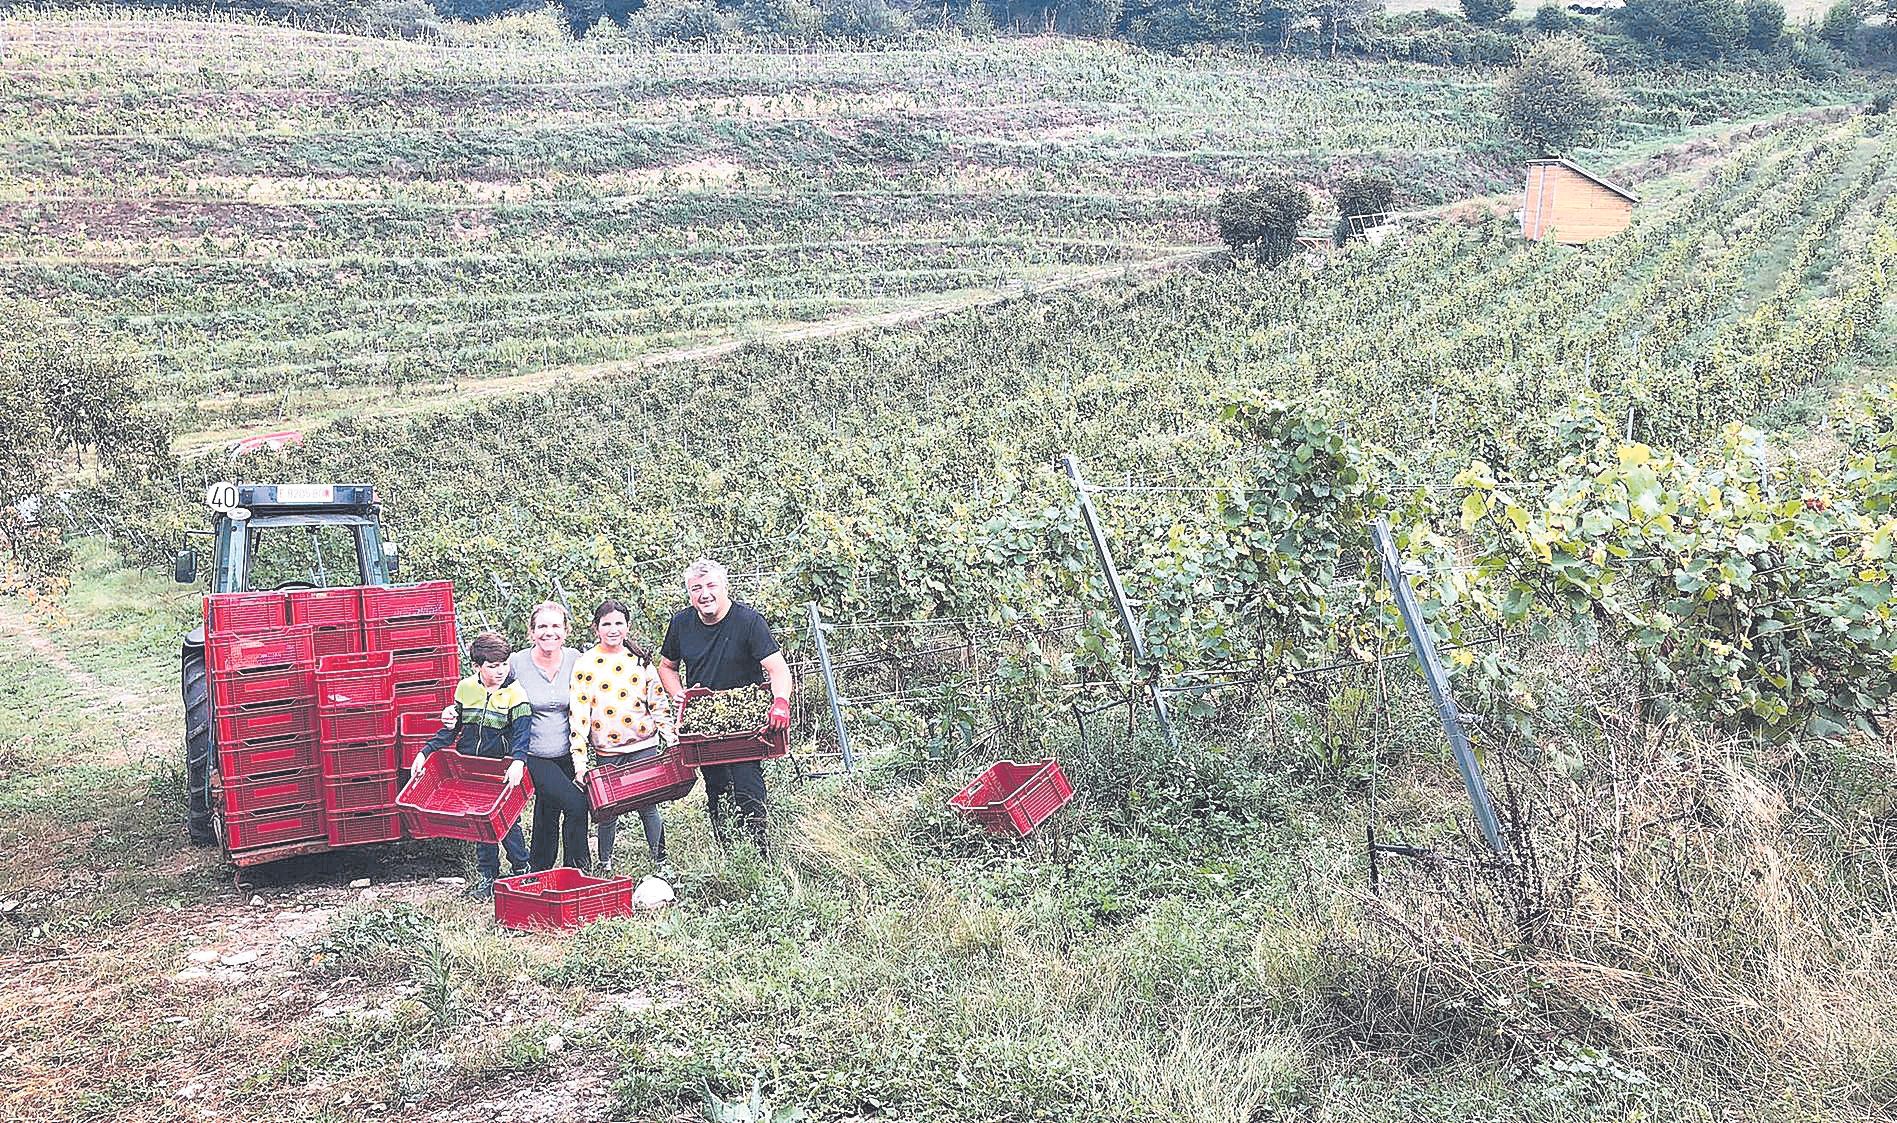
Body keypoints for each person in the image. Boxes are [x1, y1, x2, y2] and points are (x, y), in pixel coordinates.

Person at [657, 559, 792, 853]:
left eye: (710, 586)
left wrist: (780, 702)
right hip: (705, 725)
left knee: (747, 786)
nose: (704, 594)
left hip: (746, 725)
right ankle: (730, 855)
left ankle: (759, 855)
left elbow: (778, 669)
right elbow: (666, 666)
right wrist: (678, 692)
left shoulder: (748, 621)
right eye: (696, 589)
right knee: (717, 788)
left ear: (724, 587)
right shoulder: (681, 624)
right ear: (690, 594)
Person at [411, 630, 530, 898]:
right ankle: (488, 876)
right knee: (478, 822)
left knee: (508, 821)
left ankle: (522, 869)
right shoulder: (465, 688)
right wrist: (426, 751)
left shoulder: (516, 693)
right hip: (470, 767)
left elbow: (523, 734)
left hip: (500, 768)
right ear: (477, 666)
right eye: (492, 666)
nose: (500, 671)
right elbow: (453, 729)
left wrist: (518, 762)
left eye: (504, 664)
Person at [570, 599, 675, 877]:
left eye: (619, 623)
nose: (613, 629)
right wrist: (579, 759)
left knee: (647, 805)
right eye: (607, 624)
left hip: (644, 745)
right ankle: (605, 863)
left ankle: (661, 859)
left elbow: (658, 703)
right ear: (596, 628)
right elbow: (579, 713)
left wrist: (671, 739)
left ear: (627, 627)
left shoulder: (640, 662)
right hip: (608, 750)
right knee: (608, 809)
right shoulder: (586, 664)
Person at [505, 602, 593, 872]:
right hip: (534, 753)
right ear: (531, 632)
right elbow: (489, 688)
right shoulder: (517, 664)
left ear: (565, 631)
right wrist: (456, 711)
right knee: (577, 804)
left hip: (569, 751)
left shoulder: (576, 659)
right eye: (542, 626)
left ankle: (542, 868)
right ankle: (577, 868)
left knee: (548, 808)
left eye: (555, 626)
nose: (549, 632)